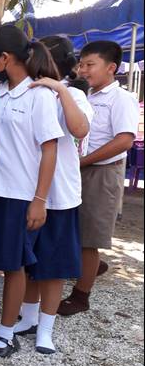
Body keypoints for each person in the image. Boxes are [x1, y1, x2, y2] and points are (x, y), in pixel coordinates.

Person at [0, 25, 63, 360]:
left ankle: (6, 333)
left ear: (5, 58)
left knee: (13, 265)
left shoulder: (39, 96)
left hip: (18, 193)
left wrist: (40, 200)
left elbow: (49, 151)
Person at [10, 36, 93, 354]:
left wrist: (60, 89)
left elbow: (80, 129)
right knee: (29, 262)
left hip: (60, 195)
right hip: (24, 191)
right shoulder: (27, 91)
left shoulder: (71, 94)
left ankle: (46, 328)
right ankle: (29, 318)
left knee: (54, 265)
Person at [57, 41, 139, 316]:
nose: (83, 69)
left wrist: (81, 162)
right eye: (81, 64)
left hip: (101, 171)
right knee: (76, 226)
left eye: (90, 65)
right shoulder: (87, 96)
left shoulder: (122, 98)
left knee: (90, 236)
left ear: (111, 68)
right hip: (79, 168)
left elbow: (124, 140)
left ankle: (81, 296)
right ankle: (91, 267)